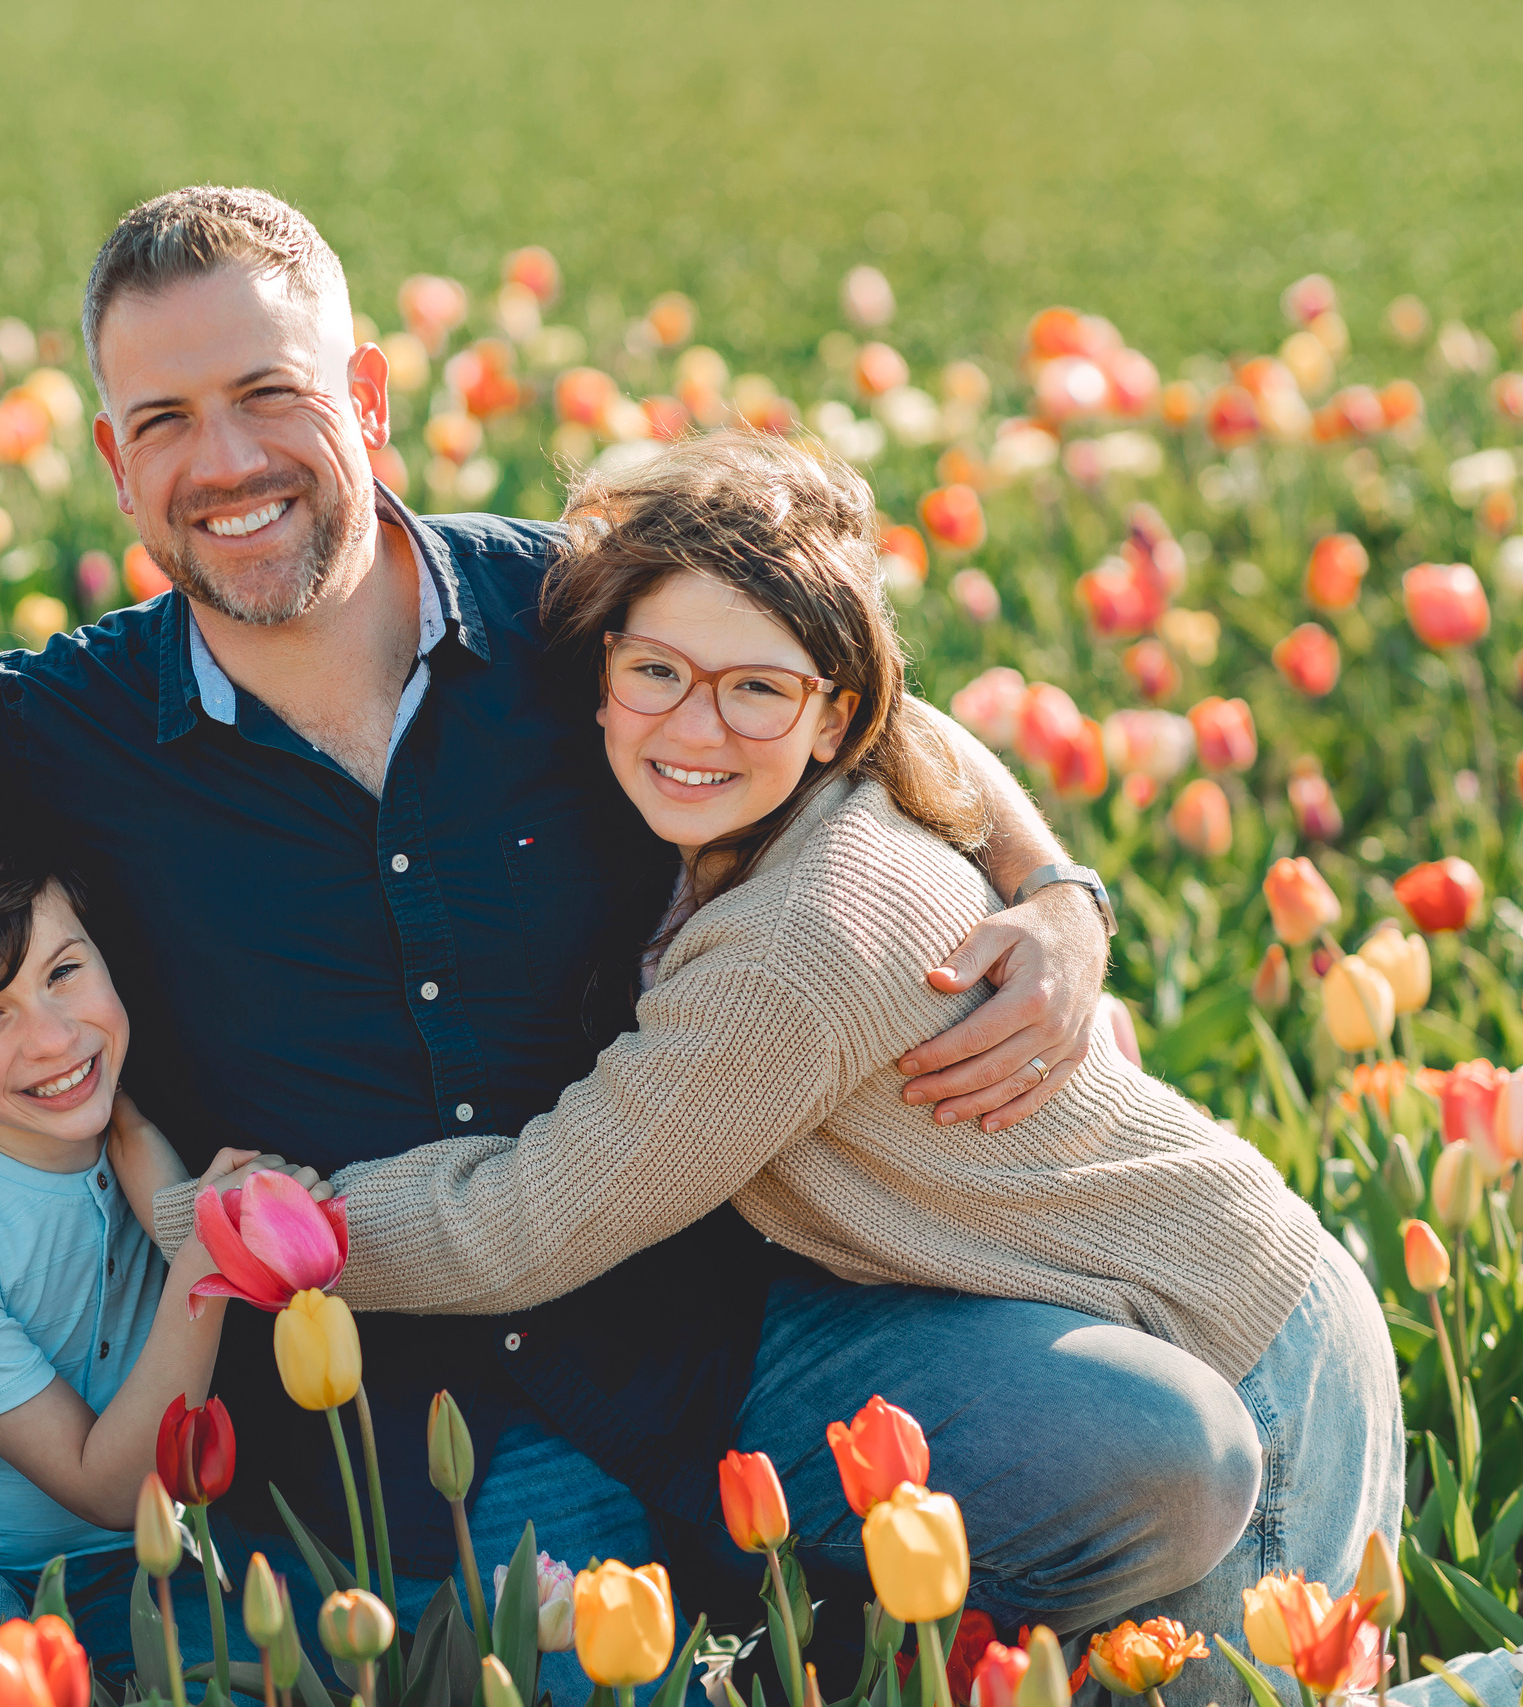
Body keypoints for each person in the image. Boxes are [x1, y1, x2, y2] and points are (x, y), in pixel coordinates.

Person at [0, 186, 1137, 1700]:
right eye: (167, 417)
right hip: (391, 1426)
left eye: (271, 394)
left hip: (715, 1319)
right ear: (119, 466)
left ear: (370, 400)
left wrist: (1058, 890)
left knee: (1161, 1458)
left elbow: (845, 692)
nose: (228, 460)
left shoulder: (567, 614)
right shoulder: (56, 737)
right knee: (587, 1653)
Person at [118, 432, 1402, 1705]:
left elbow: (518, 1226)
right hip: (1082, 1305)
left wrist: (220, 1230)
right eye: (659, 671)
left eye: (753, 691)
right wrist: (1054, 883)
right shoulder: (774, 782)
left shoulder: (797, 947)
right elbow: (931, 732)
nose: (697, 724)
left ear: (832, 711)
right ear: (604, 674)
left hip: (1247, 1353)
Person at [0, 827, 296, 1696]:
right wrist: (206, 1262)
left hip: (134, 1563)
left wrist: (152, 1155)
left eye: (64, 971)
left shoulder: (126, 1123)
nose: (53, 1038)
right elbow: (104, 1484)